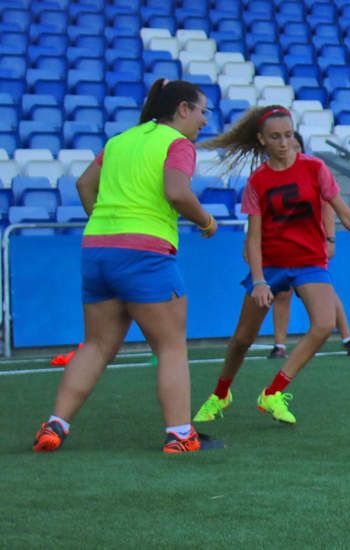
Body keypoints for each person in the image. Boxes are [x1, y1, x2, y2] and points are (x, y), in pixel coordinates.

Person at [32, 79, 221, 454]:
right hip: (146, 253)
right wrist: (206, 222)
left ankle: (57, 423)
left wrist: (106, 225)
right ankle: (181, 435)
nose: (204, 121)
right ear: (183, 109)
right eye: (203, 111)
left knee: (97, 345)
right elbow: (177, 192)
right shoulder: (177, 144)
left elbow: (85, 185)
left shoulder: (120, 141)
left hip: (98, 249)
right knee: (170, 346)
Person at [192, 105, 350, 425]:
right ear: (261, 139)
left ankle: (273, 392)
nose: (284, 142)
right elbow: (255, 237)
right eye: (275, 137)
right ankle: (220, 394)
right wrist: (259, 280)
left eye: (288, 135)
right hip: (272, 264)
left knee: (324, 323)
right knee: (242, 339)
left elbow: (345, 214)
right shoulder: (257, 182)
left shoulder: (315, 169)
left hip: (309, 262)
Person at [265, 133, 350, 359]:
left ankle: (348, 337)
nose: (290, 148)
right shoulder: (270, 176)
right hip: (283, 246)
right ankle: (279, 345)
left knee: (324, 292)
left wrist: (329, 238)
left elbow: (328, 207)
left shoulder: (312, 172)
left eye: (296, 145)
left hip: (311, 244)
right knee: (282, 293)